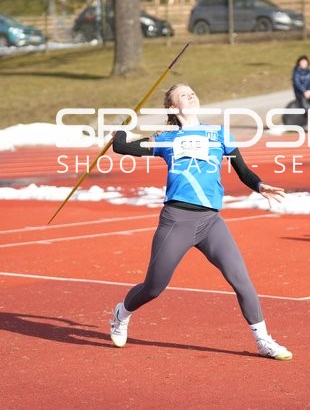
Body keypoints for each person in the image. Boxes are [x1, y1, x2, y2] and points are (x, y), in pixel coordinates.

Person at [108, 83, 293, 360]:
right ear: (173, 107)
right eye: (184, 95)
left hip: (211, 222)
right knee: (154, 287)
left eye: (192, 92)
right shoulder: (166, 138)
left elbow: (243, 171)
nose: (191, 95)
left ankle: (263, 341)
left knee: (241, 280)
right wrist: (120, 131)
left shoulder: (218, 133)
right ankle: (121, 314)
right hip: (177, 221)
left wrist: (260, 185)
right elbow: (122, 147)